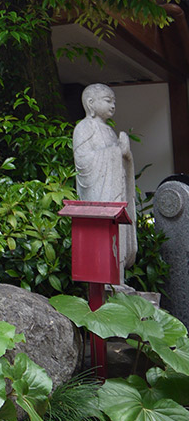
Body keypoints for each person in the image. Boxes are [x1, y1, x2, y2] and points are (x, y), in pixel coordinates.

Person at [73, 83, 137, 280]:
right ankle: (107, 281)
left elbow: (120, 159)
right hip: (99, 192)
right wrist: (115, 152)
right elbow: (83, 161)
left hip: (115, 192)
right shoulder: (83, 128)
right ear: (91, 103)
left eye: (114, 102)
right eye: (108, 101)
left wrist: (126, 155)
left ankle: (119, 279)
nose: (113, 106)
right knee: (103, 237)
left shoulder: (109, 131)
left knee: (118, 231)